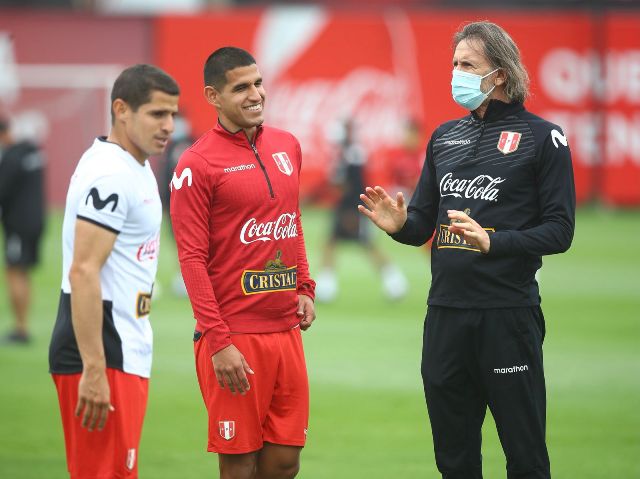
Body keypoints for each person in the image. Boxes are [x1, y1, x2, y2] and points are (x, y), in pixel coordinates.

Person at [359, 21, 575, 479]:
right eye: (454, 63)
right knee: (454, 460)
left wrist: (495, 242)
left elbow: (560, 231)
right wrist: (400, 227)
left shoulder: (544, 138)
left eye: (468, 65)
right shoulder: (443, 137)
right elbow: (422, 224)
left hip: (506, 316)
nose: (456, 73)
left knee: (526, 458)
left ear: (499, 73)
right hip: (445, 316)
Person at [170, 47, 316, 479]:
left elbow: (291, 221)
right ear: (213, 96)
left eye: (258, 83)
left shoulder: (287, 145)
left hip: (285, 332)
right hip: (233, 334)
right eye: (241, 88)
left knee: (285, 462)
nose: (255, 94)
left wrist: (304, 286)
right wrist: (218, 342)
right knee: (239, 464)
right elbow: (191, 259)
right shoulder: (197, 164)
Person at [48, 64, 179, 479]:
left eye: (172, 114)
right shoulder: (109, 174)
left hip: (124, 347)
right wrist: (93, 369)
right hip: (103, 352)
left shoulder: (133, 166)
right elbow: (83, 271)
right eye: (157, 114)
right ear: (121, 109)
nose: (169, 126)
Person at [315, 119, 408, 303]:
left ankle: (395, 282)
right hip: (343, 207)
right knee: (331, 243)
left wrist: (353, 211)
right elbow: (337, 184)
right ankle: (326, 287)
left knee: (367, 244)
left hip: (353, 208)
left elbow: (357, 185)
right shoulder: (343, 155)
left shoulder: (354, 155)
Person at [0, 114, 45, 344]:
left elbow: (3, 191)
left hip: (17, 224)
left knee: (14, 271)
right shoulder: (33, 151)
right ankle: (22, 325)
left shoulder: (11, 158)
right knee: (23, 271)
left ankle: (21, 328)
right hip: (36, 220)